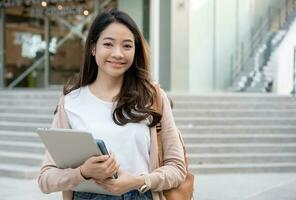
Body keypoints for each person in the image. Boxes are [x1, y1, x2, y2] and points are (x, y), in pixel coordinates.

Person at [38, 10, 186, 200]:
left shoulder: (152, 97)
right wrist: (82, 172)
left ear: (135, 51)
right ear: (93, 48)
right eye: (108, 44)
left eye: (127, 46)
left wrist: (138, 181)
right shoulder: (71, 101)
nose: (118, 54)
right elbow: (45, 178)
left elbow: (177, 168)